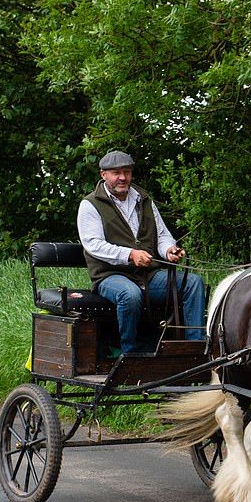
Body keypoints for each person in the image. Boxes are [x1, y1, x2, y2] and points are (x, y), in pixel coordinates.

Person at [77, 150, 205, 354]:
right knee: (130, 294)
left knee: (192, 283)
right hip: (110, 276)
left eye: (126, 172)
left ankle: (195, 347)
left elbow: (161, 235)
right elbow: (93, 244)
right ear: (104, 175)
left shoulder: (143, 199)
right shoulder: (90, 204)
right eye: (116, 173)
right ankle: (130, 354)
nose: (122, 178)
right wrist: (130, 254)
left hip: (148, 275)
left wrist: (169, 250)